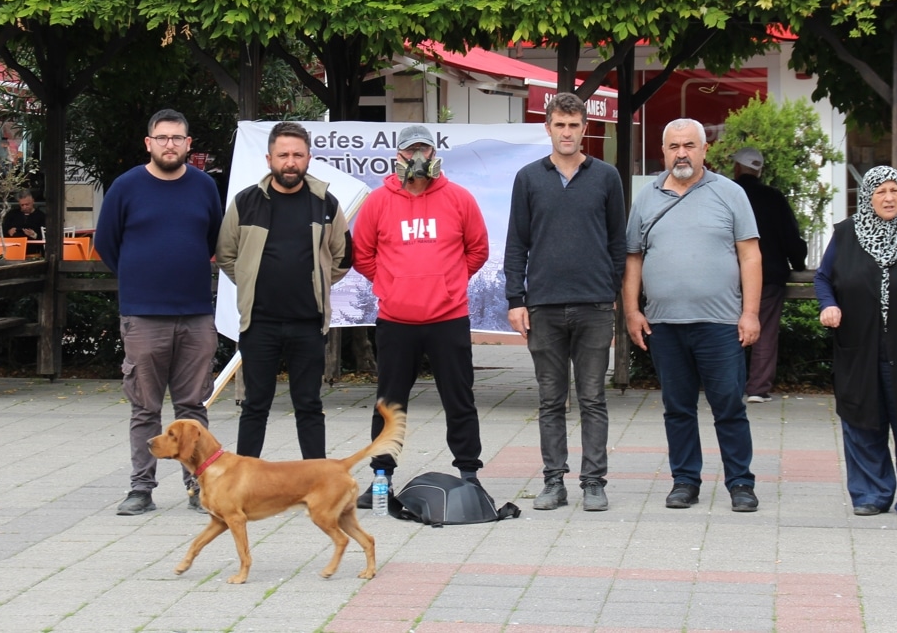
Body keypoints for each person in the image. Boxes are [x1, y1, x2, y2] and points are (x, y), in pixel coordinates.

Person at [623, 118, 762, 513]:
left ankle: (740, 483)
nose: (681, 153)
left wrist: (750, 313)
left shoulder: (730, 194)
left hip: (719, 324)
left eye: (689, 145)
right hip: (664, 324)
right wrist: (632, 311)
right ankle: (685, 481)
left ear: (705, 150)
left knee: (729, 407)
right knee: (677, 408)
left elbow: (750, 255)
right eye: (673, 146)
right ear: (663, 151)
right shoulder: (646, 198)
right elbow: (633, 258)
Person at [351, 123, 490, 506]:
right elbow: (362, 253)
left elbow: (477, 249)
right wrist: (392, 284)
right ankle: (381, 478)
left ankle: (469, 475)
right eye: (410, 150)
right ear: (397, 156)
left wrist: (449, 283)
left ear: (434, 154)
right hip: (396, 322)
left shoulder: (459, 199)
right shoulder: (378, 202)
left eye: (424, 150)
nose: (418, 158)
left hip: (448, 319)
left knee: (459, 398)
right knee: (389, 403)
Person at [95, 109, 223, 515]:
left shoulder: (204, 187)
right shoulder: (126, 186)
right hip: (143, 314)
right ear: (148, 143)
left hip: (196, 314)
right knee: (145, 407)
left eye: (178, 137)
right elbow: (107, 243)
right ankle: (141, 489)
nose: (170, 144)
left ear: (189, 144)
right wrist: (139, 277)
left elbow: (212, 239)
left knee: (193, 407)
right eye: (162, 137)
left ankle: (197, 487)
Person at [504, 92, 627, 513]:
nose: (567, 132)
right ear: (548, 127)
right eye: (560, 125)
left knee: (593, 398)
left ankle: (594, 483)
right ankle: (553, 482)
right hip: (544, 307)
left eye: (574, 125)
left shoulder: (606, 177)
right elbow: (517, 243)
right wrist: (515, 300)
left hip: (594, 305)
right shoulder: (528, 178)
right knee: (550, 400)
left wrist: (609, 289)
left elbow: (617, 241)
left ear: (585, 128)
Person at [814, 165, 897, 519]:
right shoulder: (846, 234)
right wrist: (828, 305)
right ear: (867, 196)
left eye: (895, 190)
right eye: (880, 192)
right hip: (860, 347)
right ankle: (871, 494)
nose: (889, 198)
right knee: (863, 418)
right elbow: (824, 278)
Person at [215, 121, 352, 461]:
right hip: (259, 323)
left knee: (309, 405)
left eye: (297, 155)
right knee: (254, 406)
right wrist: (250, 280)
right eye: (283, 155)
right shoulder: (246, 203)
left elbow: (343, 257)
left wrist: (316, 283)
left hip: (307, 324)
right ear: (269, 159)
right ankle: (245, 481)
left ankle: (317, 479)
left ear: (308, 158)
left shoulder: (325, 204)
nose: (290, 162)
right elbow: (226, 254)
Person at [731, 147, 807, 403]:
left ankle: (729, 384)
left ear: (737, 168)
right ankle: (758, 389)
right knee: (764, 330)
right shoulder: (774, 198)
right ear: (759, 170)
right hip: (769, 275)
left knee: (728, 329)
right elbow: (790, 238)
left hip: (730, 275)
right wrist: (798, 262)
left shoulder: (727, 194)